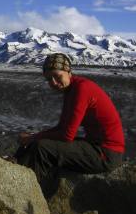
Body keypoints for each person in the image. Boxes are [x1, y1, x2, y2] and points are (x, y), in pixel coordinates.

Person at [14, 53, 124, 183]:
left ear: (69, 72)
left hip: (106, 153)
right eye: (49, 79)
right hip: (95, 146)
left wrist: (33, 137)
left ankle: (25, 188)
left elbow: (67, 135)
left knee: (42, 148)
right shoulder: (71, 90)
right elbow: (62, 127)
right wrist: (33, 137)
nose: (53, 82)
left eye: (57, 76)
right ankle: (14, 173)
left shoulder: (82, 89)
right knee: (34, 144)